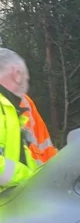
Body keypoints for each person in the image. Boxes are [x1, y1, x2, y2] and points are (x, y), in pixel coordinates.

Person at [0, 48, 39, 187]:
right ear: (17, 74)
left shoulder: (10, 108)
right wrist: (28, 177)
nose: (26, 86)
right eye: (27, 80)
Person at [21, 93, 56, 163]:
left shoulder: (24, 100)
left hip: (36, 166)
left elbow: (44, 144)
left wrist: (53, 165)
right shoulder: (23, 100)